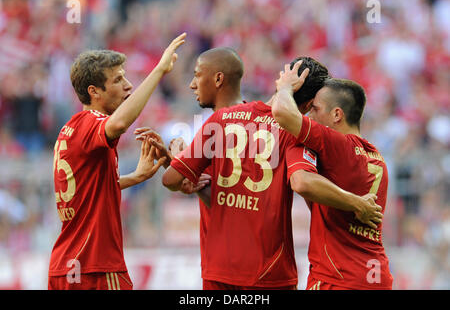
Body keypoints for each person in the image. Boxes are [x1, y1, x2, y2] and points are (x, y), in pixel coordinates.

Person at [161, 57, 383, 290]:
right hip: (271, 271)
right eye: (315, 108)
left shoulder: (222, 119)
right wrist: (356, 203)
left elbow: (173, 180)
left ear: (282, 79)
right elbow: (304, 184)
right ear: (308, 105)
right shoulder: (296, 138)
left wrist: (181, 167)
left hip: (218, 268)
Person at [48, 33, 186, 290]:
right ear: (94, 92)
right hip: (95, 267)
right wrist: (159, 70)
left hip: (65, 267)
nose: (128, 86)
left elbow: (85, 190)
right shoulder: (92, 125)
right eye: (118, 80)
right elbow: (120, 124)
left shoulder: (70, 129)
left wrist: (135, 177)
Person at [271, 64, 393, 289]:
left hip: (339, 276)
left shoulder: (338, 145)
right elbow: (327, 207)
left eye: (315, 109)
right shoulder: (377, 159)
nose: (309, 114)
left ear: (337, 114)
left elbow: (282, 113)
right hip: (375, 275)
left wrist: (285, 88)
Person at [135, 47, 245, 282]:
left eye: (197, 75)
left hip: (225, 264)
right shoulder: (259, 124)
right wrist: (175, 163)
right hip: (260, 262)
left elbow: (213, 201)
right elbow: (221, 197)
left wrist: (173, 162)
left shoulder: (214, 128)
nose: (192, 85)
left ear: (218, 79)